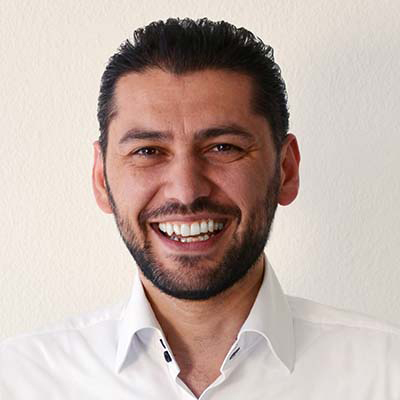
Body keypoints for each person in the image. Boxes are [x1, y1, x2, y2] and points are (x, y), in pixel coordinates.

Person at [1, 17, 399, 400]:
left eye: (223, 147)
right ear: (101, 179)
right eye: (148, 151)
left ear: (286, 170)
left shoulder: (386, 372)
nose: (186, 191)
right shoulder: (20, 380)